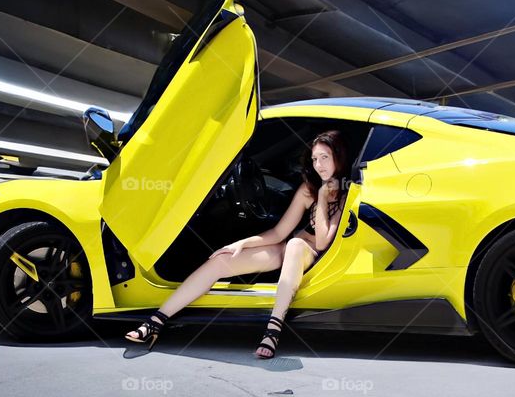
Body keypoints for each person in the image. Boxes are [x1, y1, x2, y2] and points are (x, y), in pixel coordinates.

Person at [125, 130, 350, 359]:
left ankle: (273, 331)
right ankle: (155, 322)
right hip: (288, 248)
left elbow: (322, 242)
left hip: (313, 253)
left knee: (294, 245)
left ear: (338, 157)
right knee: (223, 260)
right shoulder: (306, 190)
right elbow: (278, 232)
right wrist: (241, 244)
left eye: (324, 157)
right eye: (314, 159)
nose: (318, 165)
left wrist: (322, 198)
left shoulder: (346, 194)